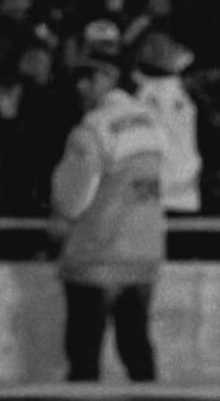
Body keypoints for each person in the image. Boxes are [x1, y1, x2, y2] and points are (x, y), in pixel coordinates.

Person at [52, 48, 171, 383]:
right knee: (137, 350)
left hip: (95, 257)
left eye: (88, 78)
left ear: (110, 78)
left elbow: (73, 198)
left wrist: (60, 215)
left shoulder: (92, 128)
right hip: (144, 255)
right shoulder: (153, 123)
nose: (81, 86)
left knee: (84, 358)